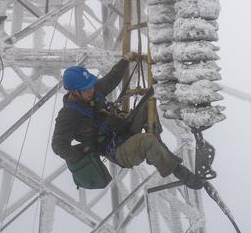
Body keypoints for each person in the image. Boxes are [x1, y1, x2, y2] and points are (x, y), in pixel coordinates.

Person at [51, 54, 204, 190]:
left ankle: (156, 147)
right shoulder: (68, 115)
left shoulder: (91, 92)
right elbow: (58, 145)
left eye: (90, 86)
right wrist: (83, 154)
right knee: (147, 141)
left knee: (148, 103)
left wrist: (124, 61)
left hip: (122, 129)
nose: (91, 90)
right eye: (86, 89)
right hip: (117, 150)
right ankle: (177, 170)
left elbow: (110, 80)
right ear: (74, 92)